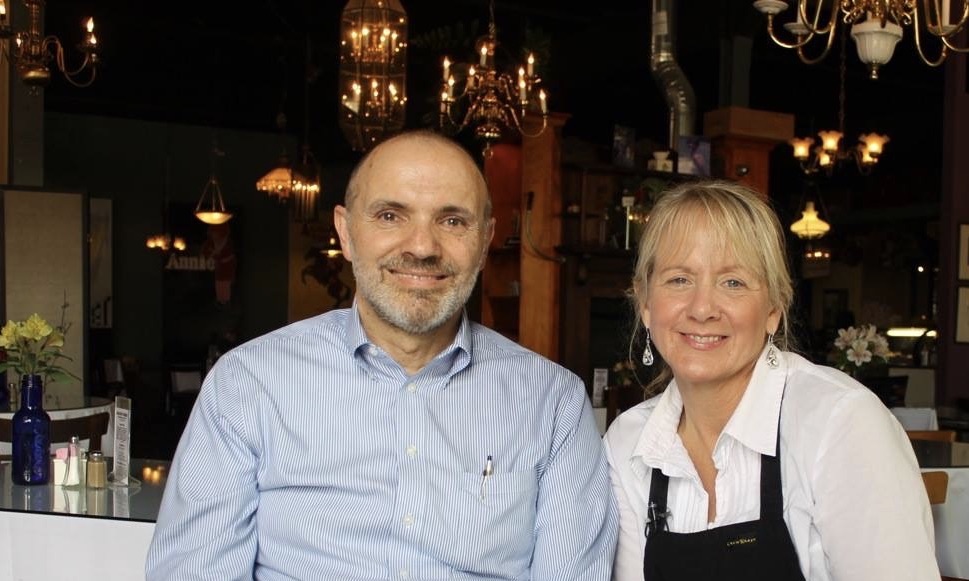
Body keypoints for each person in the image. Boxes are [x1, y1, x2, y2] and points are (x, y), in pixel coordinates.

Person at [146, 130, 618, 580]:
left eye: (453, 221)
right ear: (346, 233)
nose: (421, 247)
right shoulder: (248, 384)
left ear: (484, 241)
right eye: (391, 215)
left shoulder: (553, 403)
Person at [605, 180, 938, 580]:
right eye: (679, 279)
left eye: (733, 282)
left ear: (773, 310)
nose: (702, 308)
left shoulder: (840, 424)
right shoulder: (629, 444)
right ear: (644, 303)